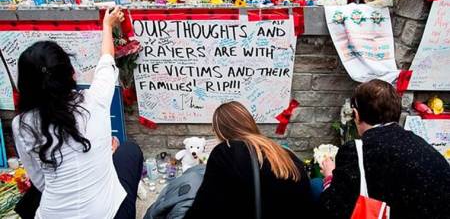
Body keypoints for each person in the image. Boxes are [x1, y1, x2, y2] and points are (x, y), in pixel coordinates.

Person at [12, 7, 143, 219]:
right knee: (129, 151)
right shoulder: (94, 100)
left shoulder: (21, 124)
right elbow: (107, 60)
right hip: (107, 213)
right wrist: (107, 25)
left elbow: (40, 181)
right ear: (71, 73)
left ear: (26, 86)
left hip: (51, 213)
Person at [319, 79, 450, 219]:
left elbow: (333, 208)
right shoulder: (419, 143)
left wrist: (329, 177)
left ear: (356, 115)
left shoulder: (356, 150)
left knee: (315, 186)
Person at [184, 101, 314, 219]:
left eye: (214, 129)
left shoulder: (226, 151)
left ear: (220, 131)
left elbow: (204, 207)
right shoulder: (282, 152)